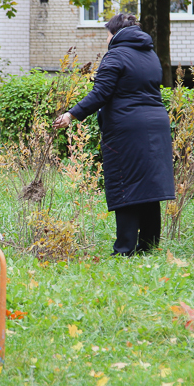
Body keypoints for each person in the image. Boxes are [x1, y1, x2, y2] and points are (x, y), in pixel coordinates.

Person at [53, 13, 175, 256]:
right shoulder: (150, 54)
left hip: (128, 128)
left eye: (107, 34)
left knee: (125, 183)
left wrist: (71, 114)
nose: (106, 39)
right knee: (148, 187)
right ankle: (148, 245)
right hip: (156, 124)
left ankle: (124, 249)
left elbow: (101, 93)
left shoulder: (116, 55)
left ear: (115, 34)